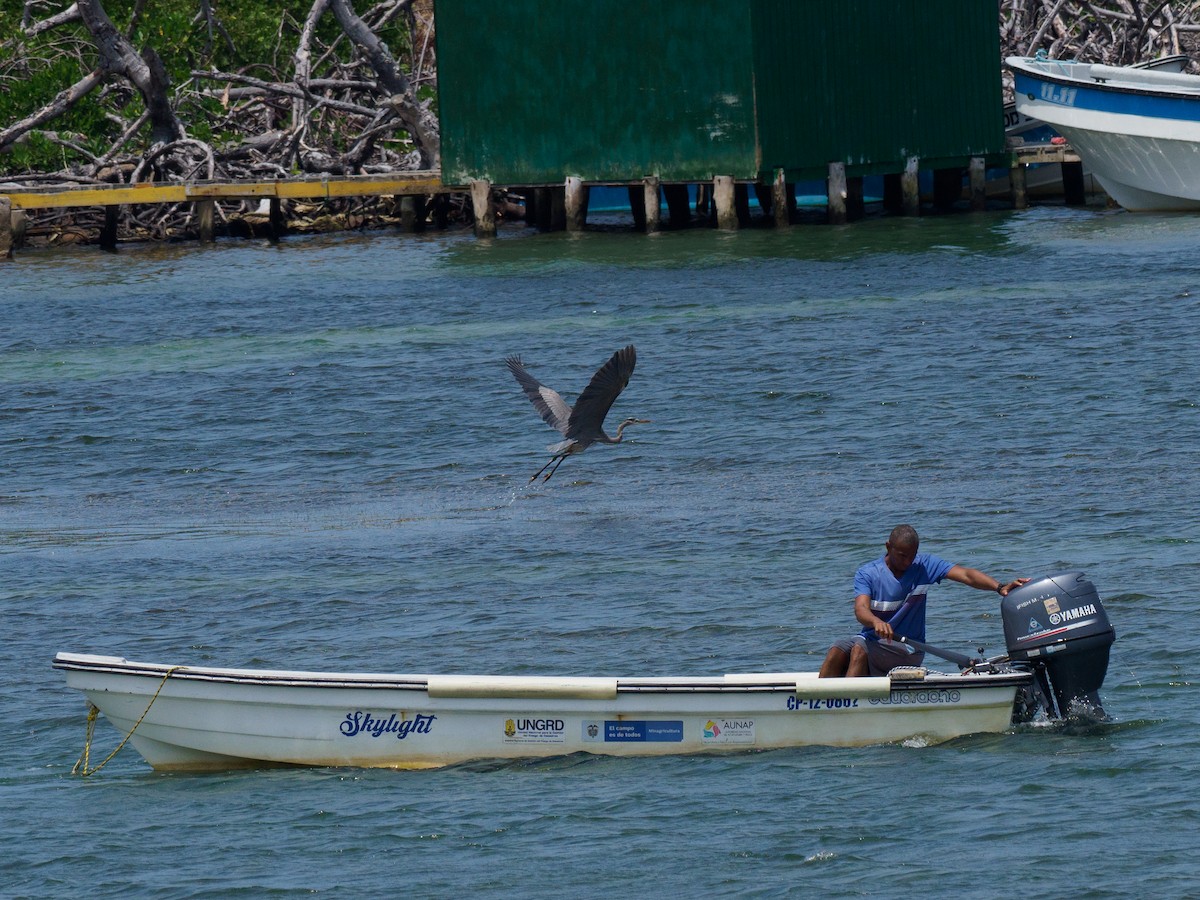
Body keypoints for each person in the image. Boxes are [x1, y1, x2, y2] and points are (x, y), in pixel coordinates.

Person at [818, 524, 1029, 678]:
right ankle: (817, 707)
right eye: (902, 555)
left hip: (906, 649)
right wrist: (875, 622)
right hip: (871, 640)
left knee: (858, 651)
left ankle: (851, 711)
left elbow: (966, 575)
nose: (908, 562)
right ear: (887, 547)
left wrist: (999, 587)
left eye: (912, 556)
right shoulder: (868, 573)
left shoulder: (924, 566)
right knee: (837, 650)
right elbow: (861, 609)